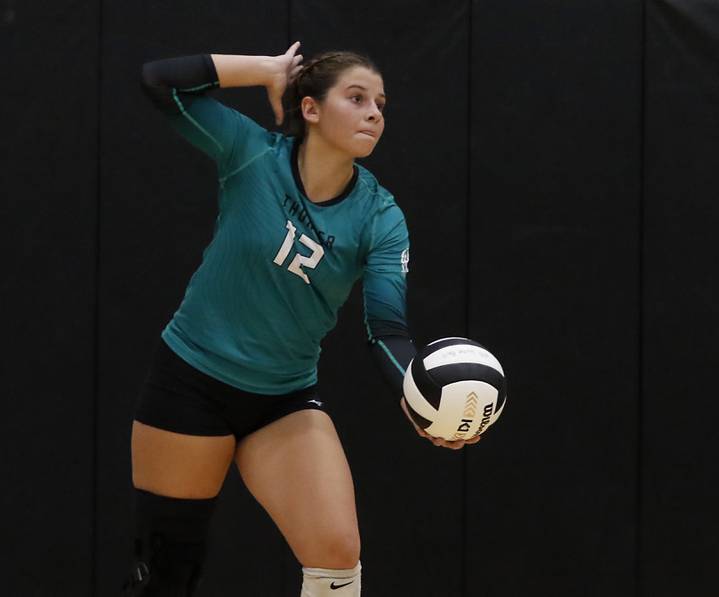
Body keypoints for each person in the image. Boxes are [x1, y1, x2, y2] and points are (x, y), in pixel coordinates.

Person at [123, 41, 480, 596]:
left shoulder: (381, 217)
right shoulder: (253, 153)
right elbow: (158, 81)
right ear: (310, 108)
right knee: (167, 575)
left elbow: (387, 330)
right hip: (190, 381)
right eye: (357, 97)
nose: (374, 113)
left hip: (282, 399)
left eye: (381, 104)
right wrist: (266, 71)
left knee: (337, 552)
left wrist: (420, 396)